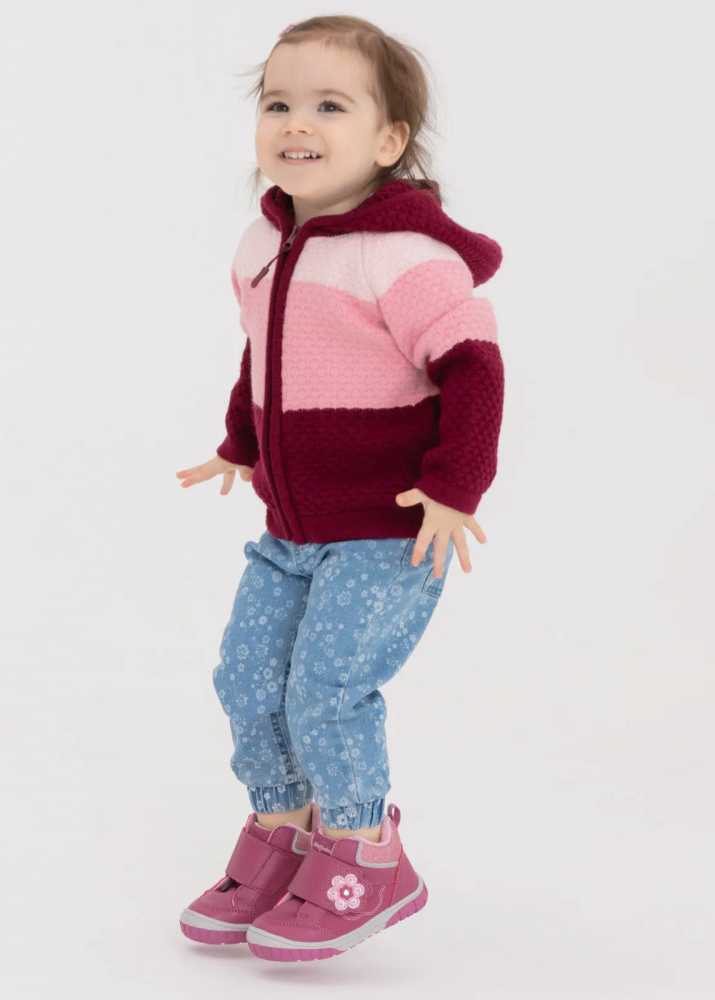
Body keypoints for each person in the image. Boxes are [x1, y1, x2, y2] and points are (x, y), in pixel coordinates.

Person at [176, 15, 505, 962]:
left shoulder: (404, 256)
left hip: (385, 530)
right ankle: (287, 832)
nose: (296, 123)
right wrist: (241, 444)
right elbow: (265, 357)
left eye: (329, 106)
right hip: (290, 529)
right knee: (246, 678)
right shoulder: (263, 244)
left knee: (325, 688)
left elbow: (475, 367)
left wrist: (454, 488)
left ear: (388, 139)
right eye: (278, 103)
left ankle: (367, 851)